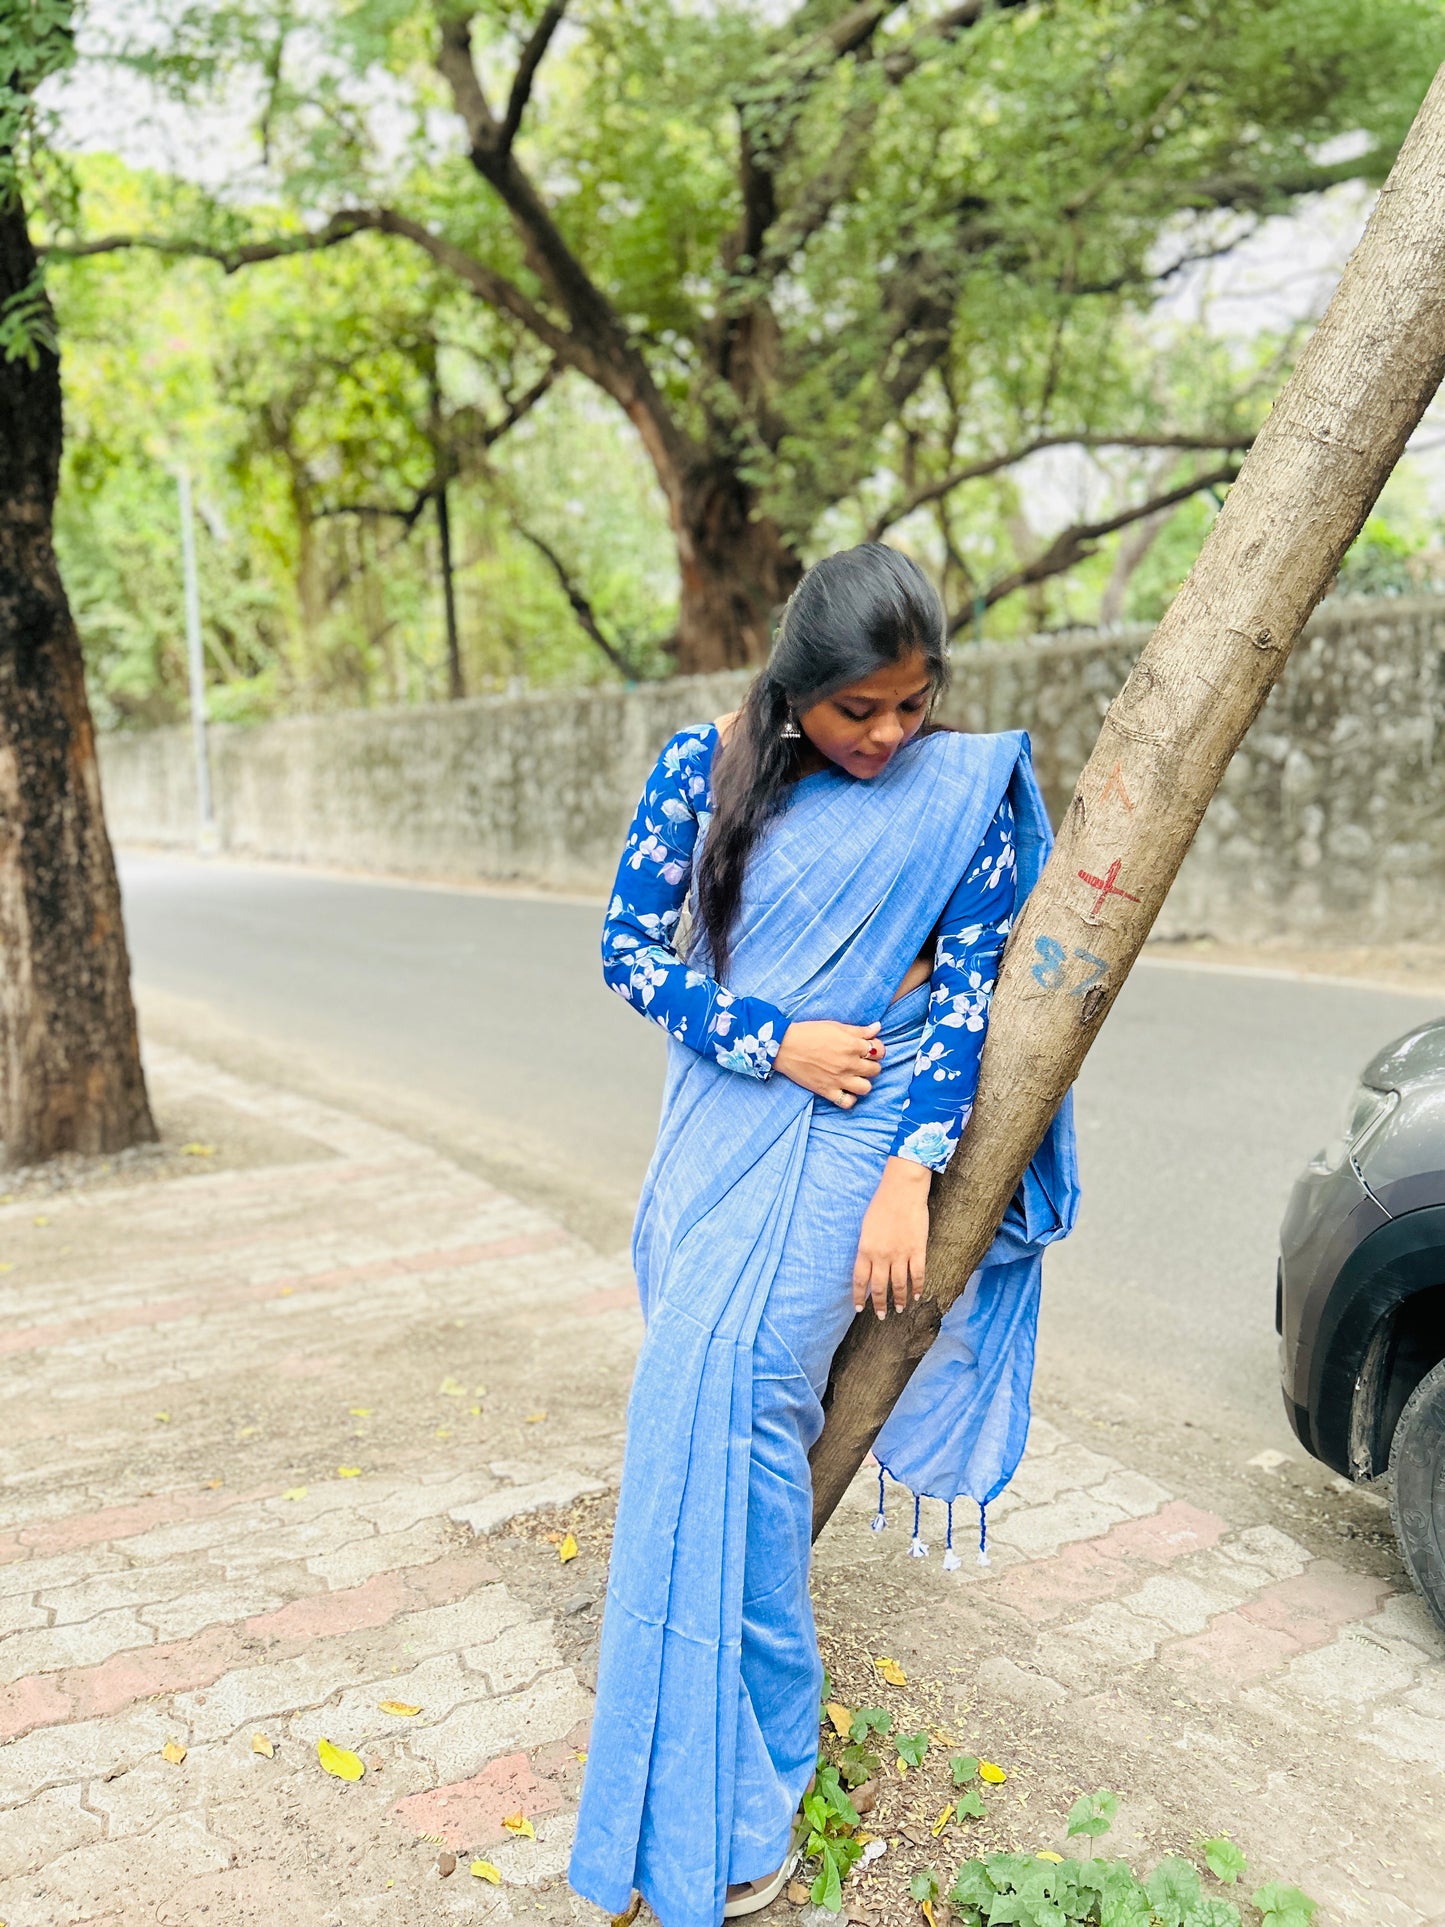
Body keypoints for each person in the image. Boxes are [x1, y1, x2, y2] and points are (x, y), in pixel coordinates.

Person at [569, 543, 1077, 1927]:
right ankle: (708, 1755)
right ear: (799, 688)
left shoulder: (959, 793)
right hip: (739, 1107)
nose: (892, 736)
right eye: (862, 710)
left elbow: (968, 993)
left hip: (869, 1129)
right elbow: (629, 954)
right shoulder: (701, 766)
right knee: (692, 1410)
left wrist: (910, 1176)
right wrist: (770, 1039)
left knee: (745, 1404)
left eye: (912, 706)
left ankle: (753, 1783)